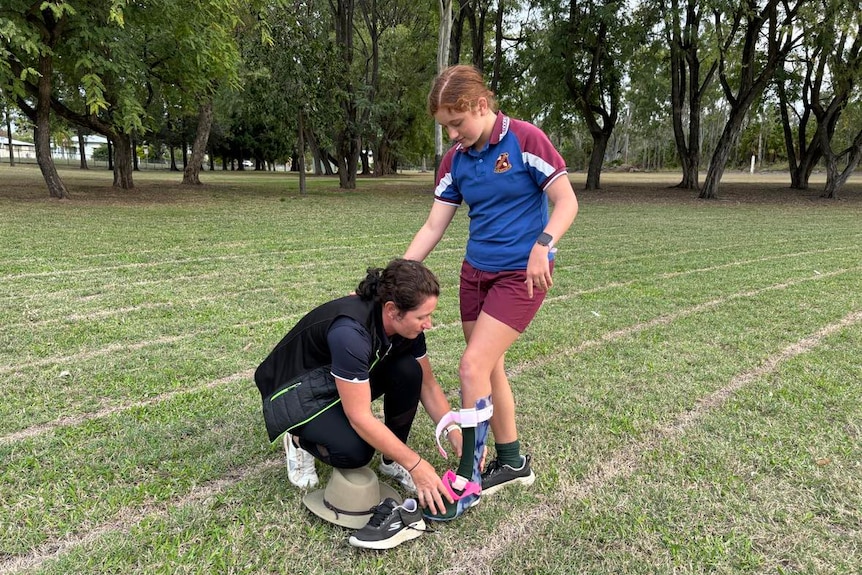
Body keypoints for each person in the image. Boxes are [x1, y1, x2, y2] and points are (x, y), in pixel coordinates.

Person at [404, 64, 579, 520]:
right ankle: (513, 460)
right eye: (446, 127)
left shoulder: (525, 139)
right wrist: (398, 273)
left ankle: (468, 482)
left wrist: (544, 245)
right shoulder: (455, 161)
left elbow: (567, 201)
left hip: (521, 275)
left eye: (457, 123)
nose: (453, 135)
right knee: (488, 368)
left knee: (471, 365)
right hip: (474, 275)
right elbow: (433, 224)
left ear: (481, 105)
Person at [253, 258, 462, 522]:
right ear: (392, 310)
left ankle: (392, 460)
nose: (428, 324)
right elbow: (360, 417)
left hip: (336, 379)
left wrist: (453, 430)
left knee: (409, 371)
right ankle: (298, 440)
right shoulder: (350, 333)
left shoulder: (406, 328)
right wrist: (417, 464)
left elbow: (428, 385)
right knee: (355, 452)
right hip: (296, 391)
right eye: (422, 316)